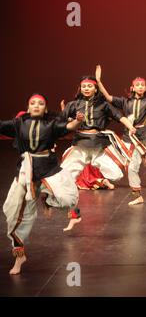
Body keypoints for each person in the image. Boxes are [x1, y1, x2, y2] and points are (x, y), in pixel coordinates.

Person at [0, 94, 84, 274]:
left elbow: (68, 127)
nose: (36, 106)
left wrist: (78, 121)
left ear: (45, 109)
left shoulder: (51, 124)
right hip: (26, 171)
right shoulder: (18, 123)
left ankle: (46, 198)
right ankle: (19, 255)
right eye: (32, 103)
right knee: (12, 211)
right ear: (28, 107)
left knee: (68, 199)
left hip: (48, 169)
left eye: (40, 104)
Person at [95, 65, 146, 205]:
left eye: (142, 85)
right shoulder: (125, 102)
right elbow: (107, 97)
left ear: (145, 88)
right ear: (132, 88)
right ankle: (137, 196)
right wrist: (99, 81)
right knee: (131, 168)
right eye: (137, 85)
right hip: (130, 138)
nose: (140, 87)